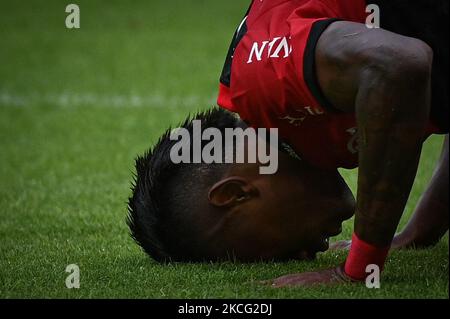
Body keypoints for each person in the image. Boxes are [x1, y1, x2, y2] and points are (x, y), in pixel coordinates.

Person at [127, 0, 448, 286]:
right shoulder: (301, 120)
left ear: (235, 194)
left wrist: (361, 267)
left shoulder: (261, 79)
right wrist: (420, 233)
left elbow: (400, 64)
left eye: (273, 254)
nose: (306, 255)